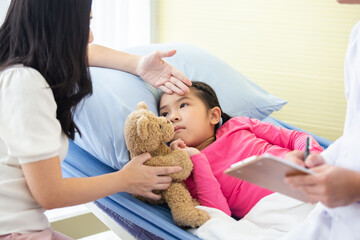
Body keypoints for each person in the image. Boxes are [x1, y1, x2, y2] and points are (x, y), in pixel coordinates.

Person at [0, 0, 190, 239]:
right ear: (60, 27)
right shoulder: (26, 84)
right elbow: (50, 193)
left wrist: (138, 64)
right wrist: (126, 179)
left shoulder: (12, 65)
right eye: (85, 24)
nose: (90, 36)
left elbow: (83, 52)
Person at [157, 81, 324, 219]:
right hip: (276, 213)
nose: (172, 117)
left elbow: (297, 138)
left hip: (307, 180)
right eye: (164, 114)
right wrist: (197, 159)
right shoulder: (185, 171)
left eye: (183, 105)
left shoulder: (238, 125)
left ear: (214, 116)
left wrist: (312, 158)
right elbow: (220, 215)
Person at [280, 1, 360, 239]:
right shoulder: (358, 34)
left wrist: (356, 187)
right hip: (332, 221)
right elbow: (354, 133)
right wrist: (319, 162)